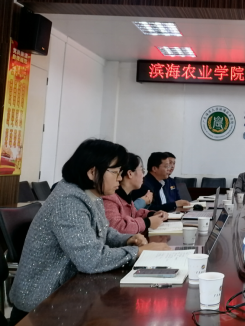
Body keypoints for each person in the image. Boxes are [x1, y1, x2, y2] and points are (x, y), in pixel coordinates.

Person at [8, 139, 169, 325]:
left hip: (69, 294)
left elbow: (103, 231)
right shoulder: (68, 201)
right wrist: (138, 252)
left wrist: (127, 240)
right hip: (42, 306)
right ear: (93, 172)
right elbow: (90, 259)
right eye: (116, 172)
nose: (120, 178)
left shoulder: (91, 194)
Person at [103, 153, 168, 234]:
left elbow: (134, 214)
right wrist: (147, 222)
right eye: (142, 170)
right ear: (130, 173)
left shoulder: (126, 195)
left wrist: (152, 214)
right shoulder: (110, 198)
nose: (143, 176)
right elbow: (117, 228)